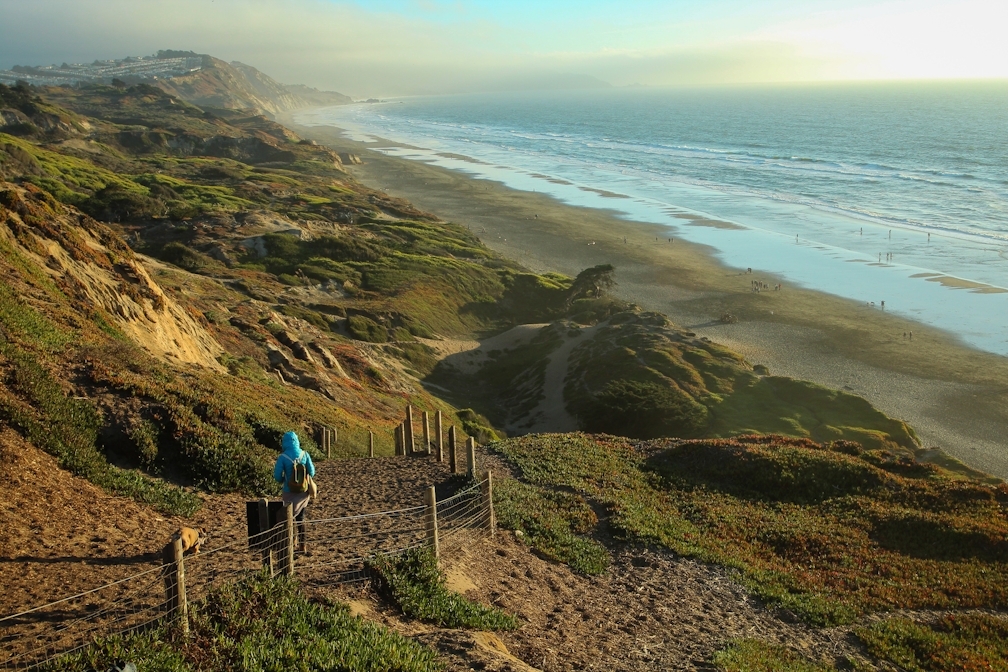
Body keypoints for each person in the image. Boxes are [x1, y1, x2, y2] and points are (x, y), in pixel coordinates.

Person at [273, 431, 316, 552]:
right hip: (303, 491)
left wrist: (284, 480)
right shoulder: (304, 454)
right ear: (297, 441)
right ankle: (303, 545)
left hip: (288, 491)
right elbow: (312, 472)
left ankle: (292, 542)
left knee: (289, 517)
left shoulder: (283, 457)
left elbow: (277, 476)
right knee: (301, 518)